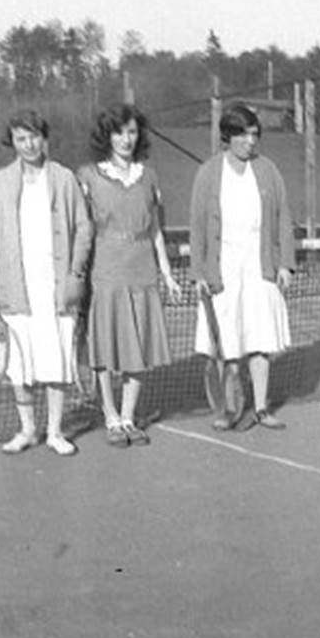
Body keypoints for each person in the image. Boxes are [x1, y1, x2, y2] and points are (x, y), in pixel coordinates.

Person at [0, 109, 92, 456]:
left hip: (55, 289)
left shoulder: (63, 178)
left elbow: (84, 229)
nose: (28, 145)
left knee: (55, 360)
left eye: (33, 137)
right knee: (20, 365)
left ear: (45, 138)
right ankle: (27, 430)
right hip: (16, 289)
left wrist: (75, 275)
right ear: (12, 142)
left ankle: (55, 432)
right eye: (20, 138)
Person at [77, 103, 181, 447]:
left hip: (143, 270)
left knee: (140, 345)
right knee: (106, 346)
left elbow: (154, 231)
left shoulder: (148, 176)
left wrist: (166, 274)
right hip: (106, 269)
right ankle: (110, 418)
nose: (126, 139)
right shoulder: (89, 176)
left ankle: (127, 417)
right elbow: (81, 230)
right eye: (120, 132)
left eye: (132, 132)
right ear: (107, 135)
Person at [189, 102, 294, 430]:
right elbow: (197, 227)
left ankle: (261, 408)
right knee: (227, 344)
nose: (251, 141)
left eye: (254, 135)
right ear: (228, 137)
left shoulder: (268, 170)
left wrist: (285, 265)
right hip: (222, 270)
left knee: (260, 340)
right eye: (244, 135)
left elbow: (283, 218)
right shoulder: (208, 173)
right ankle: (229, 409)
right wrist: (199, 274)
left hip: (259, 267)